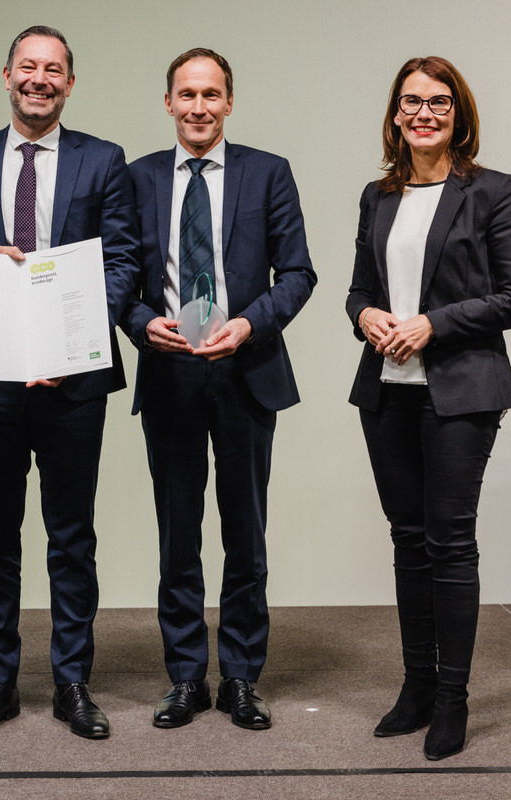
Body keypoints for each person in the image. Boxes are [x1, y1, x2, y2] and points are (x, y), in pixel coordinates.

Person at [0, 25, 139, 741]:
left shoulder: (103, 160)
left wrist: (72, 343)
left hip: (71, 384)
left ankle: (73, 682)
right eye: (28, 66)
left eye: (53, 70)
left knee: (71, 538)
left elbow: (123, 263)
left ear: (69, 84)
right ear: (6, 74)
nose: (39, 79)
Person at [345, 56, 511, 761]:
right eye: (411, 102)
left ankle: (453, 699)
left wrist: (434, 323)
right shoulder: (378, 195)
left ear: (459, 114)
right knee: (407, 539)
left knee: (449, 542)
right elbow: (358, 288)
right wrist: (364, 314)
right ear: (395, 115)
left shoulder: (490, 190)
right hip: (387, 390)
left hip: (461, 391)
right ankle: (418, 688)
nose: (423, 114)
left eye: (438, 103)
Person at [123, 48, 315, 731]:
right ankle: (184, 677)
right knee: (178, 537)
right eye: (187, 94)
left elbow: (298, 273)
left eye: (211, 94)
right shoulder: (139, 177)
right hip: (170, 372)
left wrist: (249, 324)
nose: (199, 107)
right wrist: (141, 323)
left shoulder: (268, 172)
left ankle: (239, 677)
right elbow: (120, 277)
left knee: (245, 536)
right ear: (168, 102)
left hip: (246, 373)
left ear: (229, 102)